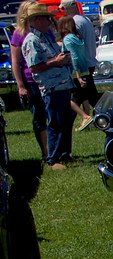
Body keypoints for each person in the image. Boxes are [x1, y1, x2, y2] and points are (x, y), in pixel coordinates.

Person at [22, 2, 74, 169]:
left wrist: (62, 59)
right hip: (51, 87)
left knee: (65, 121)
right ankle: (53, 158)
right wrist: (56, 62)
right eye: (46, 19)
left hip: (63, 84)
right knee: (55, 122)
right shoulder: (32, 41)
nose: (49, 22)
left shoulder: (46, 37)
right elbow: (35, 67)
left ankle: (64, 153)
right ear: (36, 20)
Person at [10, 1, 49, 159]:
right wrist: (20, 86)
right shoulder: (19, 34)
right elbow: (16, 61)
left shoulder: (45, 31)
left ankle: (56, 151)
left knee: (52, 115)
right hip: (31, 81)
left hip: (49, 78)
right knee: (39, 116)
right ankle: (45, 152)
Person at [59, 0, 99, 111]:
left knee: (77, 97)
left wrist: (77, 73)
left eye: (63, 9)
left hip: (82, 64)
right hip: (90, 60)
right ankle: (100, 116)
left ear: (68, 8)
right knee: (90, 95)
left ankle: (71, 122)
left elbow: (75, 49)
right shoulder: (85, 19)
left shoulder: (75, 22)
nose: (64, 12)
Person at [57, 16, 93, 130]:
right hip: (85, 69)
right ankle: (87, 121)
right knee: (84, 97)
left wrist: (77, 76)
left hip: (75, 72)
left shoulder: (67, 39)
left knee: (70, 99)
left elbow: (74, 57)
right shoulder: (77, 37)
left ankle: (85, 117)